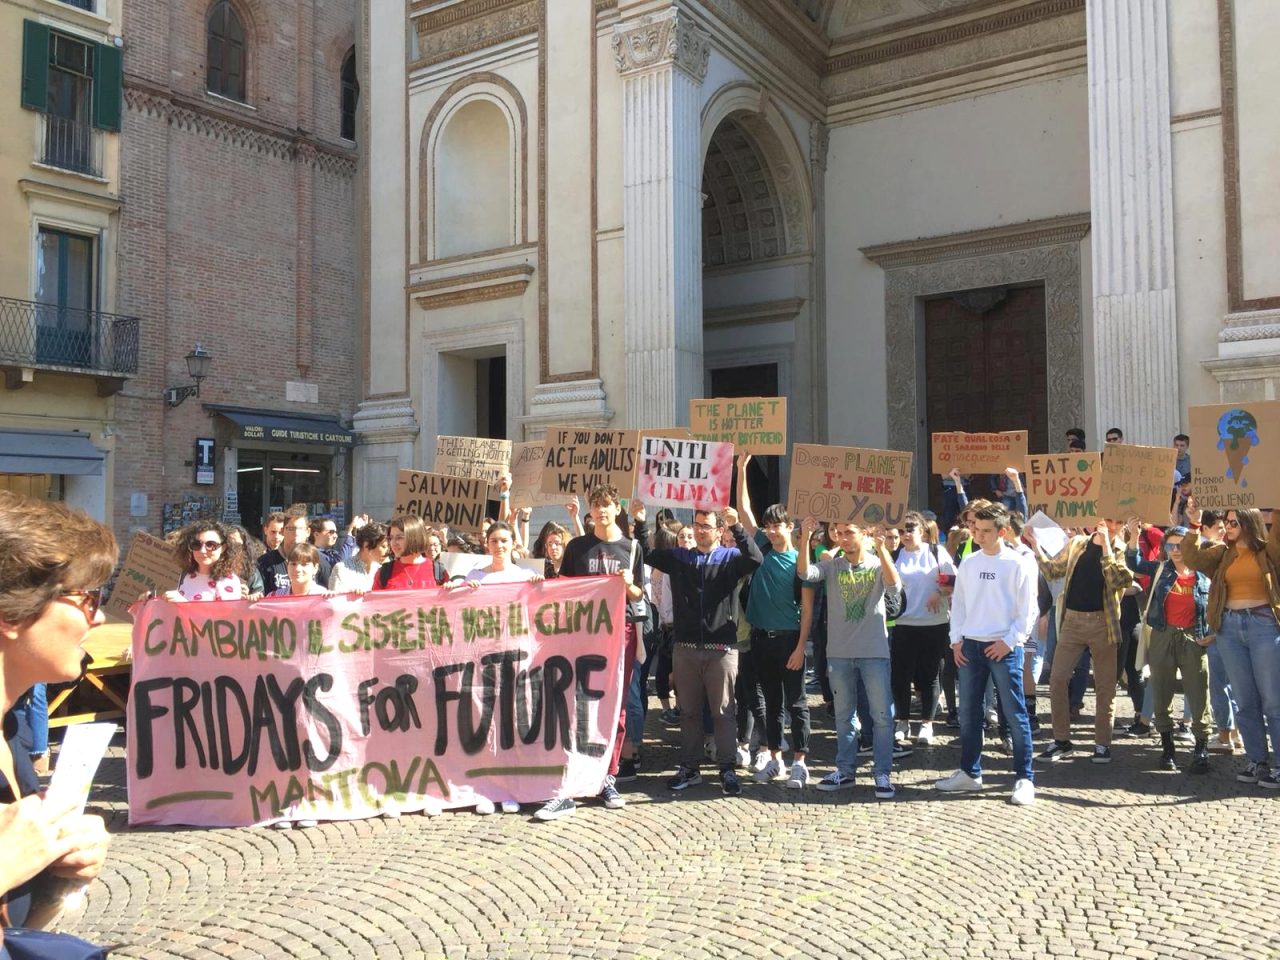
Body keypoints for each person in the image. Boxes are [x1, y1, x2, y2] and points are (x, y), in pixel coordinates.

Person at [0, 493, 115, 934]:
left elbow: (17, 930)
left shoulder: (14, 735)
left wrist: (55, 879)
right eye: (87, 598)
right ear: (11, 613)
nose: (100, 616)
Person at [533, 487, 644, 820]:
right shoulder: (577, 547)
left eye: (607, 506)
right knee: (578, 704)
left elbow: (639, 593)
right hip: (581, 636)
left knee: (616, 706)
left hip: (619, 633)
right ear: (590, 512)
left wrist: (627, 584)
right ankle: (576, 773)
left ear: (615, 508)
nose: (601, 511)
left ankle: (608, 776)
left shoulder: (632, 547)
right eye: (596, 507)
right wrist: (541, 584)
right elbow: (564, 586)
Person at [646, 502, 762, 797]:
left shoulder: (730, 557)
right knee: (688, 713)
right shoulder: (681, 557)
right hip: (685, 648)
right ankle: (690, 767)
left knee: (724, 711)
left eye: (706, 527)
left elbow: (755, 558)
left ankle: (726, 769)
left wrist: (738, 526)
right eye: (696, 526)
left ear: (718, 530)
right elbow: (648, 554)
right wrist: (637, 522)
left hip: (721, 648)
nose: (699, 531)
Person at [934, 503, 1038, 805]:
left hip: (1004, 648)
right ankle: (970, 772)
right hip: (971, 646)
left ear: (1002, 532)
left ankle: (1024, 777)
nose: (978, 535)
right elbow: (961, 604)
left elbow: (1027, 609)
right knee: (968, 714)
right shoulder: (969, 562)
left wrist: (1010, 641)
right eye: (975, 529)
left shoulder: (1017, 563)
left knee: (1015, 714)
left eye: (985, 531)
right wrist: (956, 640)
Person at [798, 516, 902, 799]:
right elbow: (805, 575)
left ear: (863, 533)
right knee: (844, 716)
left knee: (881, 716)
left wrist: (881, 549)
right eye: (839, 532)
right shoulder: (832, 565)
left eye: (849, 532)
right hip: (840, 653)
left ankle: (882, 772)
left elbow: (894, 588)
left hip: (874, 652)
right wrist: (805, 538)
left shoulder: (878, 562)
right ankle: (845, 770)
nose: (842, 538)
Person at [1181, 503, 1280, 788]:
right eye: (1226, 522)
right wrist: (1194, 525)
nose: (1228, 527)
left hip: (1264, 626)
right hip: (1229, 629)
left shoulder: (1268, 552)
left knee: (1273, 699)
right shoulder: (1223, 554)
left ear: (1250, 523)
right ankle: (1256, 760)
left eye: (1234, 523)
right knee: (1245, 699)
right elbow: (1192, 558)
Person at [1029, 520, 1135, 764]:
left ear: (1120, 525)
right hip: (1072, 622)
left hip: (1103, 623)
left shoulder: (1120, 549)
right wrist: (1036, 546)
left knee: (1105, 685)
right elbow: (1053, 570)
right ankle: (1062, 741)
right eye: (1105, 519)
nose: (1108, 524)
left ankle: (1102, 744)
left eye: (1114, 521)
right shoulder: (1078, 543)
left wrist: (1107, 546)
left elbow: (1119, 580)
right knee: (1057, 679)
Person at [737, 455, 812, 789]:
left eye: (777, 524)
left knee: (797, 703)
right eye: (767, 525)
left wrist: (800, 647)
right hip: (761, 639)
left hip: (789, 639)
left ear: (789, 527)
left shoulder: (799, 560)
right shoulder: (761, 548)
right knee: (771, 703)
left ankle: (800, 762)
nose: (770, 529)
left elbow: (807, 607)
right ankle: (776, 760)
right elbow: (744, 512)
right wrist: (740, 471)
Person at [1123, 523, 1212, 773]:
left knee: (1198, 692)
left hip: (1193, 638)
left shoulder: (1204, 572)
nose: (1175, 550)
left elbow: (1217, 602)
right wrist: (1134, 538)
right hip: (1163, 634)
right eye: (1170, 545)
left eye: (1180, 544)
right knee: (1161, 691)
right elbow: (1135, 563)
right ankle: (1167, 748)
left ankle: (1201, 749)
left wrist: (1212, 633)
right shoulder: (1161, 568)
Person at [891, 511, 956, 746]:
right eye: (902, 530)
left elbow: (952, 579)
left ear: (922, 531)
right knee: (900, 676)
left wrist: (938, 593)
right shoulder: (895, 554)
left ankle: (927, 724)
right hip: (902, 623)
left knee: (929, 675)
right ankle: (902, 721)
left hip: (933, 623)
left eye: (910, 530)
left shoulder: (936, 552)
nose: (905, 535)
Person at [166, 520, 243, 602]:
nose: (202, 551)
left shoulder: (229, 581)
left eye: (211, 545)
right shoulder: (185, 576)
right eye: (196, 544)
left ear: (223, 548)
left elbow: (226, 613)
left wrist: (184, 604)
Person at [259, 511, 331, 594]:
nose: (296, 533)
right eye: (290, 529)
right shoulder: (264, 562)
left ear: (308, 532)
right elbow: (260, 597)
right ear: (282, 531)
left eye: (300, 529)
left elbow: (328, 595)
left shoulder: (321, 562)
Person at [375, 516, 446, 591]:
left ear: (415, 538)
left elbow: (449, 601)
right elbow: (373, 601)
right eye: (391, 538)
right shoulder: (384, 572)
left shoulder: (438, 571)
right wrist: (361, 596)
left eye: (399, 537)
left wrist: (452, 589)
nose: (393, 543)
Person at [329, 521, 390, 594]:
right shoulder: (342, 568)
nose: (388, 551)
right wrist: (352, 595)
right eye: (384, 546)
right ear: (366, 545)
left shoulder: (381, 569)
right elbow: (336, 600)